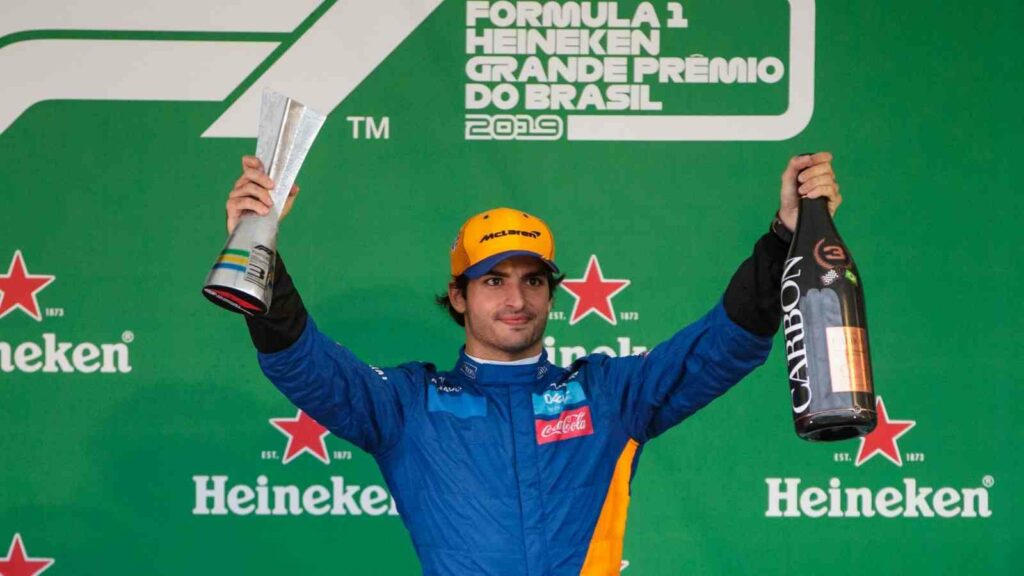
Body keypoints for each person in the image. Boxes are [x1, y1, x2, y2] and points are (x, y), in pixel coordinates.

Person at [224, 153, 840, 576]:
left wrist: (785, 238)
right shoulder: (406, 404)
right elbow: (302, 361)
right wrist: (257, 245)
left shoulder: (609, 394)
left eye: (533, 280)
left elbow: (723, 341)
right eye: (493, 281)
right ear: (459, 297)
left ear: (551, 293)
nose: (516, 299)